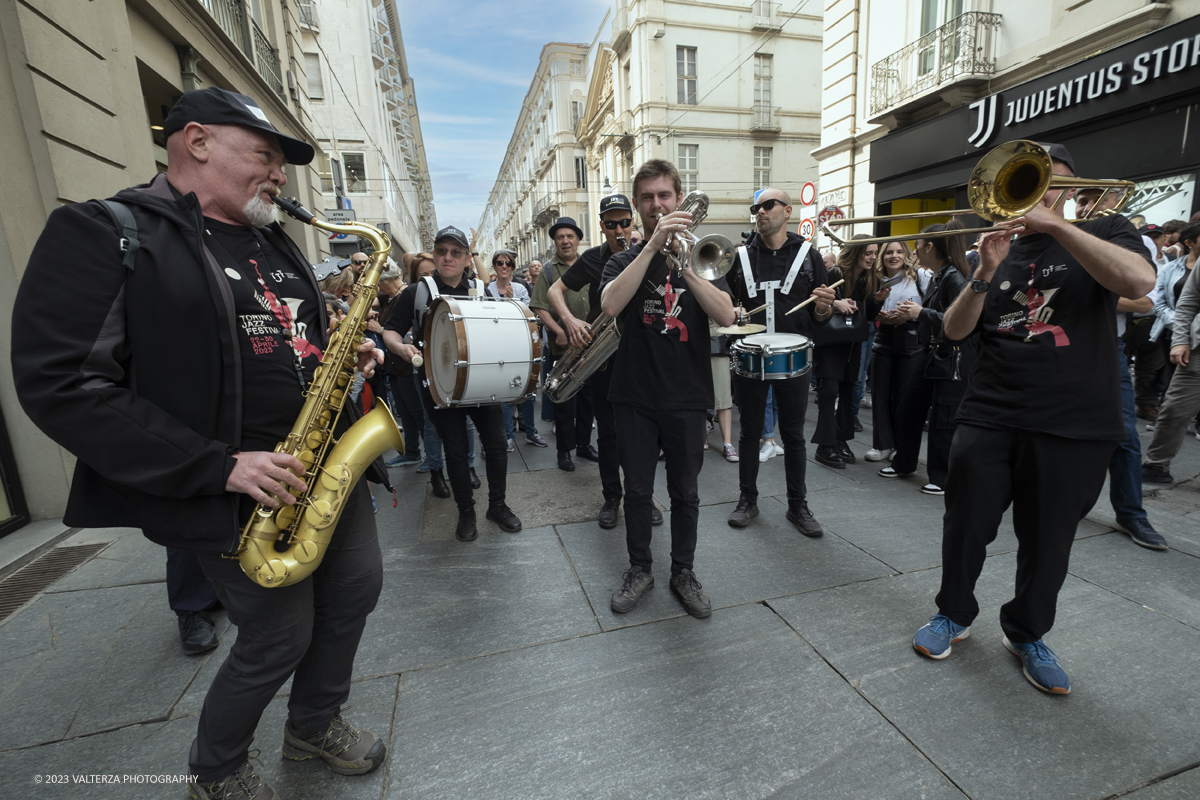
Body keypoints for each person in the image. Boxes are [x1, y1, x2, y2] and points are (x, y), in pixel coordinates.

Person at [12, 87, 392, 799]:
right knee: (278, 636)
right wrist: (215, 466)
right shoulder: (106, 231)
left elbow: (290, 342)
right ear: (196, 142)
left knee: (354, 595)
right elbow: (61, 382)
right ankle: (215, 771)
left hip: (318, 468)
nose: (280, 175)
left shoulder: (273, 241)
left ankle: (314, 723)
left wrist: (341, 359)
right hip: (227, 489)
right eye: (266, 156)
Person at [910, 143, 1156, 695]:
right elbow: (954, 331)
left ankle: (1027, 632)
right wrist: (983, 274)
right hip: (991, 411)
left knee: (1049, 541)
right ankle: (953, 613)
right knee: (965, 523)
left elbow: (1139, 284)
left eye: (1053, 183)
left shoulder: (1108, 230)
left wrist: (1060, 227)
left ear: (1072, 191)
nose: (1041, 193)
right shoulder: (994, 250)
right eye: (1030, 182)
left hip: (1075, 420)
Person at [599, 159, 736, 618]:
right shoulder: (623, 259)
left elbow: (727, 316)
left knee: (686, 493)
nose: (656, 204)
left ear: (679, 200)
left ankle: (684, 571)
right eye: (647, 198)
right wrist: (652, 248)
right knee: (636, 492)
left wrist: (688, 267)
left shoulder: (705, 258)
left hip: (686, 395)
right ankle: (640, 568)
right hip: (634, 395)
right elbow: (610, 304)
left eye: (664, 196)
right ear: (637, 207)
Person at [383, 227, 520, 542]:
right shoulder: (417, 291)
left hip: (481, 383)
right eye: (442, 251)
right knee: (457, 454)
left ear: (466, 259)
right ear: (434, 254)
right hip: (439, 386)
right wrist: (402, 348)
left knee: (497, 446)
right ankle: (467, 512)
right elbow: (390, 330)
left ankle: (497, 506)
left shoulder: (478, 289)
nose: (448, 258)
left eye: (455, 253)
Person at [547, 193, 662, 529]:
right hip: (604, 356)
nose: (618, 229)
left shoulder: (646, 253)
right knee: (609, 433)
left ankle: (643, 497)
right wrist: (570, 321)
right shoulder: (593, 259)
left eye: (624, 222)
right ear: (601, 227)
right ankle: (612, 497)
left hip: (643, 355)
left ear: (633, 221)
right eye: (611, 224)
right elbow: (555, 291)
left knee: (643, 435)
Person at [725, 188, 834, 536]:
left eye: (767, 206)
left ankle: (797, 506)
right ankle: (747, 499)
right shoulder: (739, 257)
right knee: (750, 433)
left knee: (794, 434)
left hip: (795, 356)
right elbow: (724, 308)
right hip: (750, 355)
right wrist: (733, 311)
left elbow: (822, 316)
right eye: (755, 206)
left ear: (788, 211)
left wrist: (822, 306)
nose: (759, 212)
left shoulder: (809, 255)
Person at [1070, 188, 1168, 551]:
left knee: (1124, 432)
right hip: (1062, 348)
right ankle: (1065, 502)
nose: (1087, 205)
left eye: (1097, 198)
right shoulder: (1066, 234)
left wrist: (1089, 293)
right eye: (1081, 199)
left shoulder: (1132, 239)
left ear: (1115, 200)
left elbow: (1144, 301)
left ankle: (1130, 512)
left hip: (1107, 349)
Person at [879, 221, 974, 495]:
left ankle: (942, 477)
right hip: (935, 353)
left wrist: (920, 314)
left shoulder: (953, 276)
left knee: (944, 418)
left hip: (952, 356)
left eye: (917, 246)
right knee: (909, 408)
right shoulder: (940, 274)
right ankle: (904, 462)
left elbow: (960, 321)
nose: (914, 253)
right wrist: (914, 314)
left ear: (930, 246)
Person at [530, 217, 597, 472]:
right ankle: (564, 451)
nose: (565, 241)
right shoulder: (548, 270)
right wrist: (558, 330)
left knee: (589, 400)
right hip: (563, 348)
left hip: (591, 346)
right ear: (555, 242)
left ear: (578, 239)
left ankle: (583, 445)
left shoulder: (590, 264)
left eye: (570, 236)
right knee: (564, 402)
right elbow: (538, 306)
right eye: (560, 237)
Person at [812, 236, 885, 468]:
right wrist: (836, 304)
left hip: (853, 342)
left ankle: (840, 440)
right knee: (829, 392)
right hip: (833, 343)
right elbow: (816, 300)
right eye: (868, 253)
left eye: (875, 253)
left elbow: (867, 314)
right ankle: (825, 445)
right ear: (855, 252)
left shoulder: (869, 277)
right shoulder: (835, 273)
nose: (873, 257)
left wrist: (879, 301)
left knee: (848, 392)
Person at [1144, 227, 1200, 484]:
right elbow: (1188, 300)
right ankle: (1155, 466)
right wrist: (1180, 340)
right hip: (1196, 351)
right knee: (1174, 409)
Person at [867, 240, 929, 462]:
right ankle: (882, 444)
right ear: (882, 256)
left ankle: (901, 446)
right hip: (883, 337)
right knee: (880, 394)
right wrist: (876, 312)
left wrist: (910, 315)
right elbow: (867, 309)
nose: (894, 256)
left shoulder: (920, 276)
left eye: (899, 252)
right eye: (889, 252)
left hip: (911, 340)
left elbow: (931, 309)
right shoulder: (874, 279)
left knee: (904, 396)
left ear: (906, 255)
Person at [487, 249, 546, 451]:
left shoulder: (520, 288)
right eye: (500, 263)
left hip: (521, 344)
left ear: (512, 267)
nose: (504, 266)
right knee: (504, 393)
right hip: (499, 346)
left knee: (527, 390)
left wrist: (514, 302)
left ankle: (531, 432)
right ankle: (509, 436)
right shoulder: (489, 289)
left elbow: (530, 316)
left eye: (508, 263)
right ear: (494, 266)